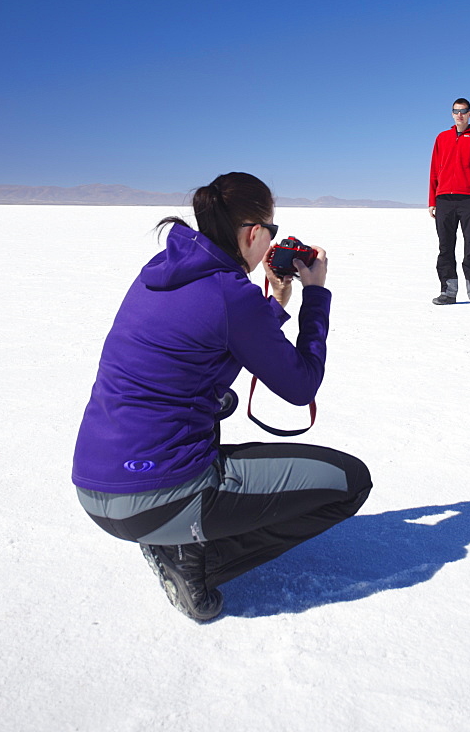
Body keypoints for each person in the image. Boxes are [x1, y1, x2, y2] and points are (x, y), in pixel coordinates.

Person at [72, 172, 372, 622]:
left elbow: (207, 338)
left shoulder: (161, 272)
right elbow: (301, 386)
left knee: (220, 402)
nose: (271, 240)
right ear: (254, 232)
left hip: (96, 485)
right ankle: (195, 560)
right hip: (155, 497)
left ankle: (173, 535)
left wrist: (276, 302)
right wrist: (316, 295)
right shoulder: (231, 295)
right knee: (349, 482)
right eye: (270, 231)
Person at [428, 99, 470, 308]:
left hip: (468, 200)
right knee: (445, 247)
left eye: (463, 111)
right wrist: (432, 199)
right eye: (456, 111)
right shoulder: (442, 138)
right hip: (444, 199)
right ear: (452, 114)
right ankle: (448, 291)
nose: (459, 115)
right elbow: (434, 171)